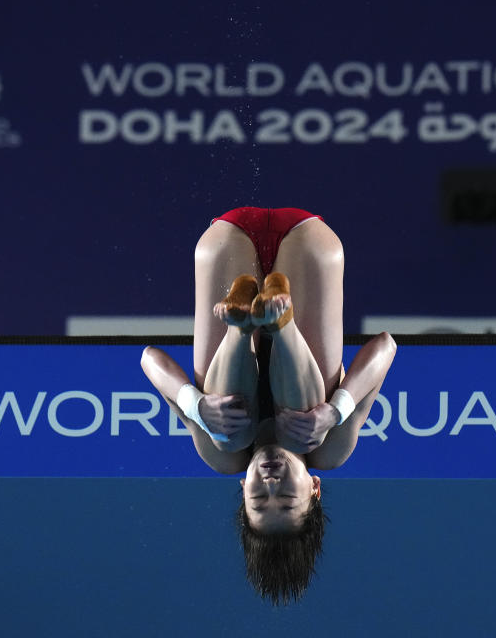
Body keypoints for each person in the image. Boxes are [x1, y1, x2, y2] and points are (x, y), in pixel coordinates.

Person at [140, 207, 396, 604]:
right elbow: (386, 346)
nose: (271, 483)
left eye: (259, 499)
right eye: (286, 498)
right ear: (314, 488)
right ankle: (282, 321)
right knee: (312, 428)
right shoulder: (330, 451)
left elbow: (149, 359)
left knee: (226, 437)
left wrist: (196, 406)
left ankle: (240, 328)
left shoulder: (222, 457)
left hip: (226, 243)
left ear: (243, 489)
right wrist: (335, 411)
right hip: (310, 246)